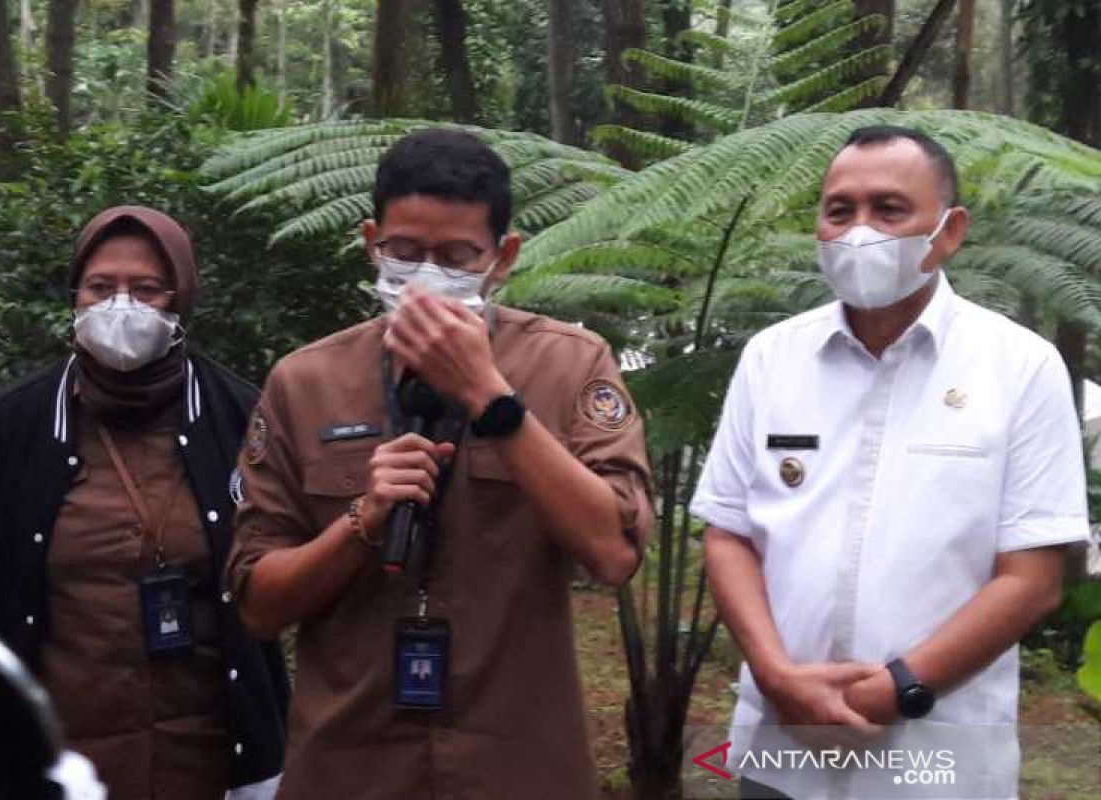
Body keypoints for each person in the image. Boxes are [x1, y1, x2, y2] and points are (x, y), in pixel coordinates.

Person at [226, 128, 655, 799]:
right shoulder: (303, 383)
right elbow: (256, 604)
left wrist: (493, 400)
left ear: (503, 256)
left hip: (520, 768)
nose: (426, 276)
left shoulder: (572, 365)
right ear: (371, 242)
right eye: (404, 252)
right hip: (350, 767)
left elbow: (614, 552)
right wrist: (361, 521)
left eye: (457, 256)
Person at [690, 126, 1090, 799]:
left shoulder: (1020, 367)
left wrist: (899, 687)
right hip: (784, 749)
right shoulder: (771, 357)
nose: (859, 231)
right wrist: (777, 676)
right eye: (839, 210)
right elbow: (729, 531)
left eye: (890, 209)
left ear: (950, 230)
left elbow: (1032, 577)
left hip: (935, 758)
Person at [0, 206, 289, 800]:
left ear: (181, 300)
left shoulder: (241, 417)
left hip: (209, 761)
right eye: (101, 287)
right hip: (62, 763)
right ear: (76, 296)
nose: (121, 306)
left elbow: (277, 568)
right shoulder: (11, 426)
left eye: (146, 289)